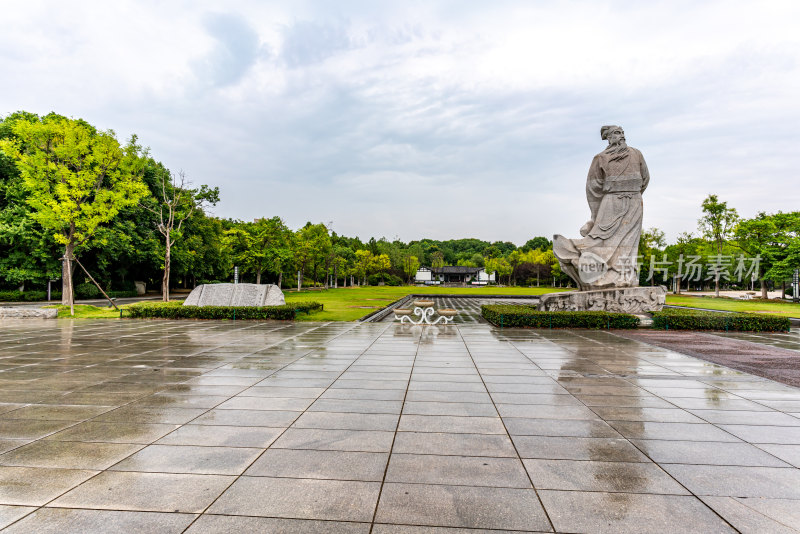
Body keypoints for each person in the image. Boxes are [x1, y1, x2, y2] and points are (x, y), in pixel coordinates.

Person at [553, 125, 650, 289]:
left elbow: (645, 178)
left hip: (634, 202)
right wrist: (595, 215)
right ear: (609, 138)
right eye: (617, 133)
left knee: (629, 243)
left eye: (622, 133)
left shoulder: (637, 154)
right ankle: (579, 256)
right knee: (599, 238)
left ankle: (624, 277)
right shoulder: (600, 158)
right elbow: (593, 187)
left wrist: (632, 193)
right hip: (610, 201)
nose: (621, 136)